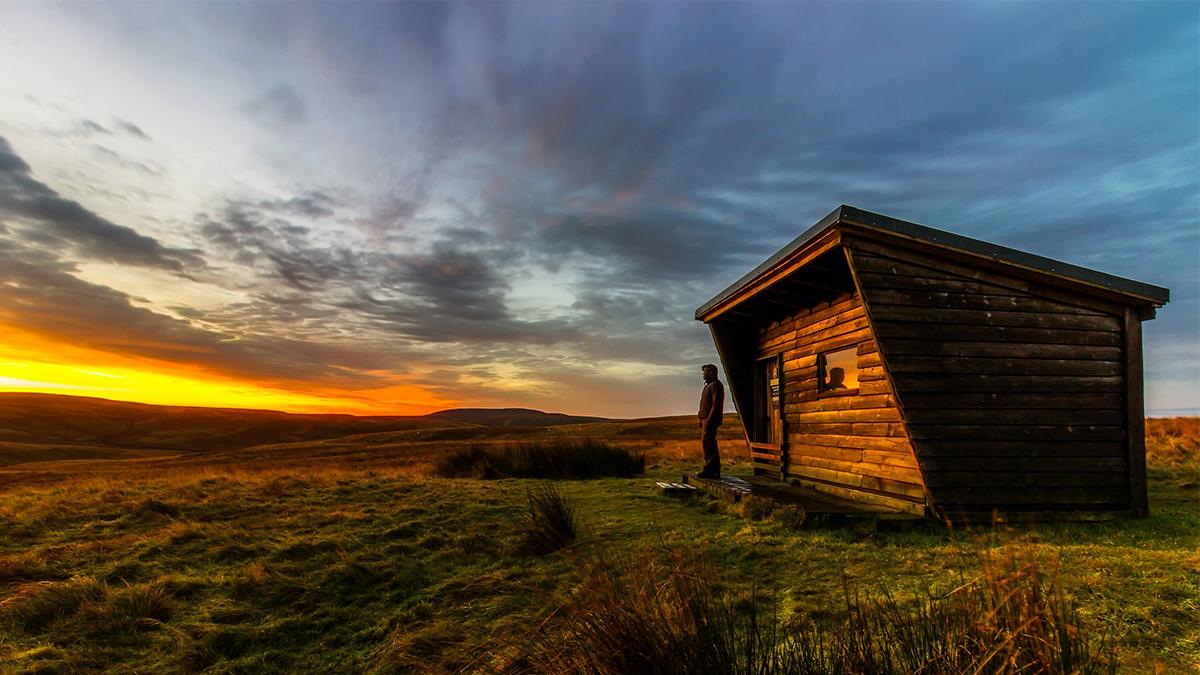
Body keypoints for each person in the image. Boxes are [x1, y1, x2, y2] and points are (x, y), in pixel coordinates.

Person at [697, 363, 724, 478]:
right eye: (704, 371)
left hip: (710, 420)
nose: (704, 374)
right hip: (705, 419)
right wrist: (701, 418)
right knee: (707, 443)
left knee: (709, 443)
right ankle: (711, 469)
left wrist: (709, 420)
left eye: (706, 371)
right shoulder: (709, 385)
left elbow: (715, 405)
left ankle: (711, 469)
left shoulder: (715, 385)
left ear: (712, 372)